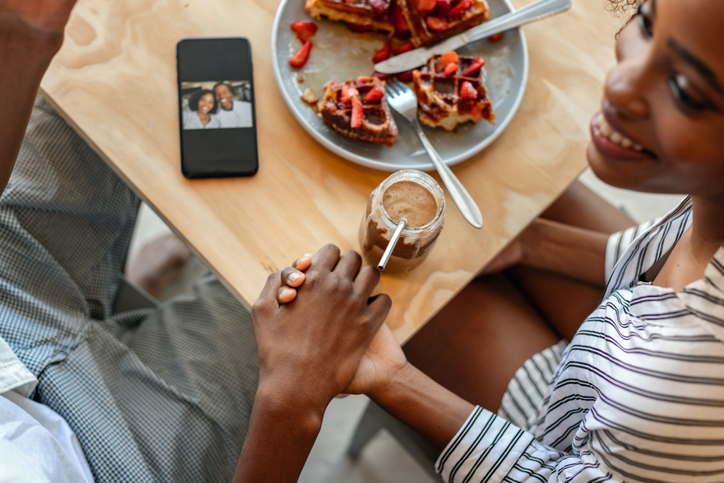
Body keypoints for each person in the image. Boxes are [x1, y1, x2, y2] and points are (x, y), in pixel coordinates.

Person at [275, 0, 724, 481]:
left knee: (428, 288)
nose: (617, 84)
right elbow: (651, 253)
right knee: (500, 210)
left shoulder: (689, 378)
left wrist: (391, 379)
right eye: (649, 24)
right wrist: (527, 245)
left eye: (683, 89)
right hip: (619, 361)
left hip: (566, 444)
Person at [0, 2, 389, 482]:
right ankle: (118, 305)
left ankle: (115, 291)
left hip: (5, 312)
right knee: (328, 248)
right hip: (116, 461)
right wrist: (294, 397)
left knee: (116, 76)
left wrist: (29, 32)